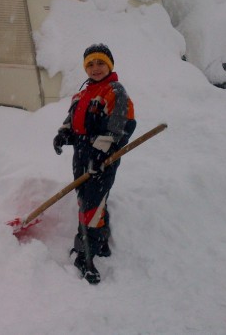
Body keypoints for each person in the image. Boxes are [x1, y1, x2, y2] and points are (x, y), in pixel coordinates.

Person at [53, 43, 136, 284]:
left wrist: (103, 152)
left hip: (103, 159)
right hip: (81, 155)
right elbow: (73, 121)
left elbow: (124, 125)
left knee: (91, 204)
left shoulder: (115, 92)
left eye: (100, 63)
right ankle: (100, 244)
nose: (95, 68)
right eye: (90, 64)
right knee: (88, 200)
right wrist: (62, 135)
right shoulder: (82, 93)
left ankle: (85, 256)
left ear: (109, 65)